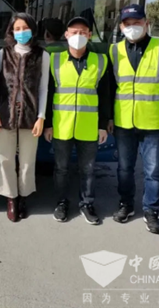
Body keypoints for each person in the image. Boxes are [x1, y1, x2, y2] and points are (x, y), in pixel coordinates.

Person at [108, 4, 159, 235]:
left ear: (146, 23)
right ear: (121, 27)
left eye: (137, 23)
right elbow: (109, 88)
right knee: (124, 168)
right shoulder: (114, 50)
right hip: (123, 121)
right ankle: (126, 205)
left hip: (153, 122)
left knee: (153, 170)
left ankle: (151, 211)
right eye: (127, 24)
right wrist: (108, 118)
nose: (132, 27)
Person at [44, 17, 110, 225]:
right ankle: (61, 203)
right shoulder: (54, 60)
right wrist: (47, 124)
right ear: (66, 35)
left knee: (88, 169)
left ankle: (87, 204)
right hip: (61, 125)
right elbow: (47, 94)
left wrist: (103, 125)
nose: (78, 36)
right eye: (74, 32)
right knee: (61, 168)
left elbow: (105, 95)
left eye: (83, 32)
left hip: (89, 126)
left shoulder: (101, 61)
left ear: (90, 35)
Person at [0, 13, 49, 222]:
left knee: (27, 160)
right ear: (11, 31)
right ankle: (11, 198)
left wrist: (41, 117)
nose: (21, 32)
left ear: (32, 30)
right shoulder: (3, 54)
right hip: (5, 113)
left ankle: (23, 196)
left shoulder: (42, 55)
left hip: (30, 114)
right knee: (5, 158)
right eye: (17, 29)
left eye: (25, 28)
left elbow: (43, 88)